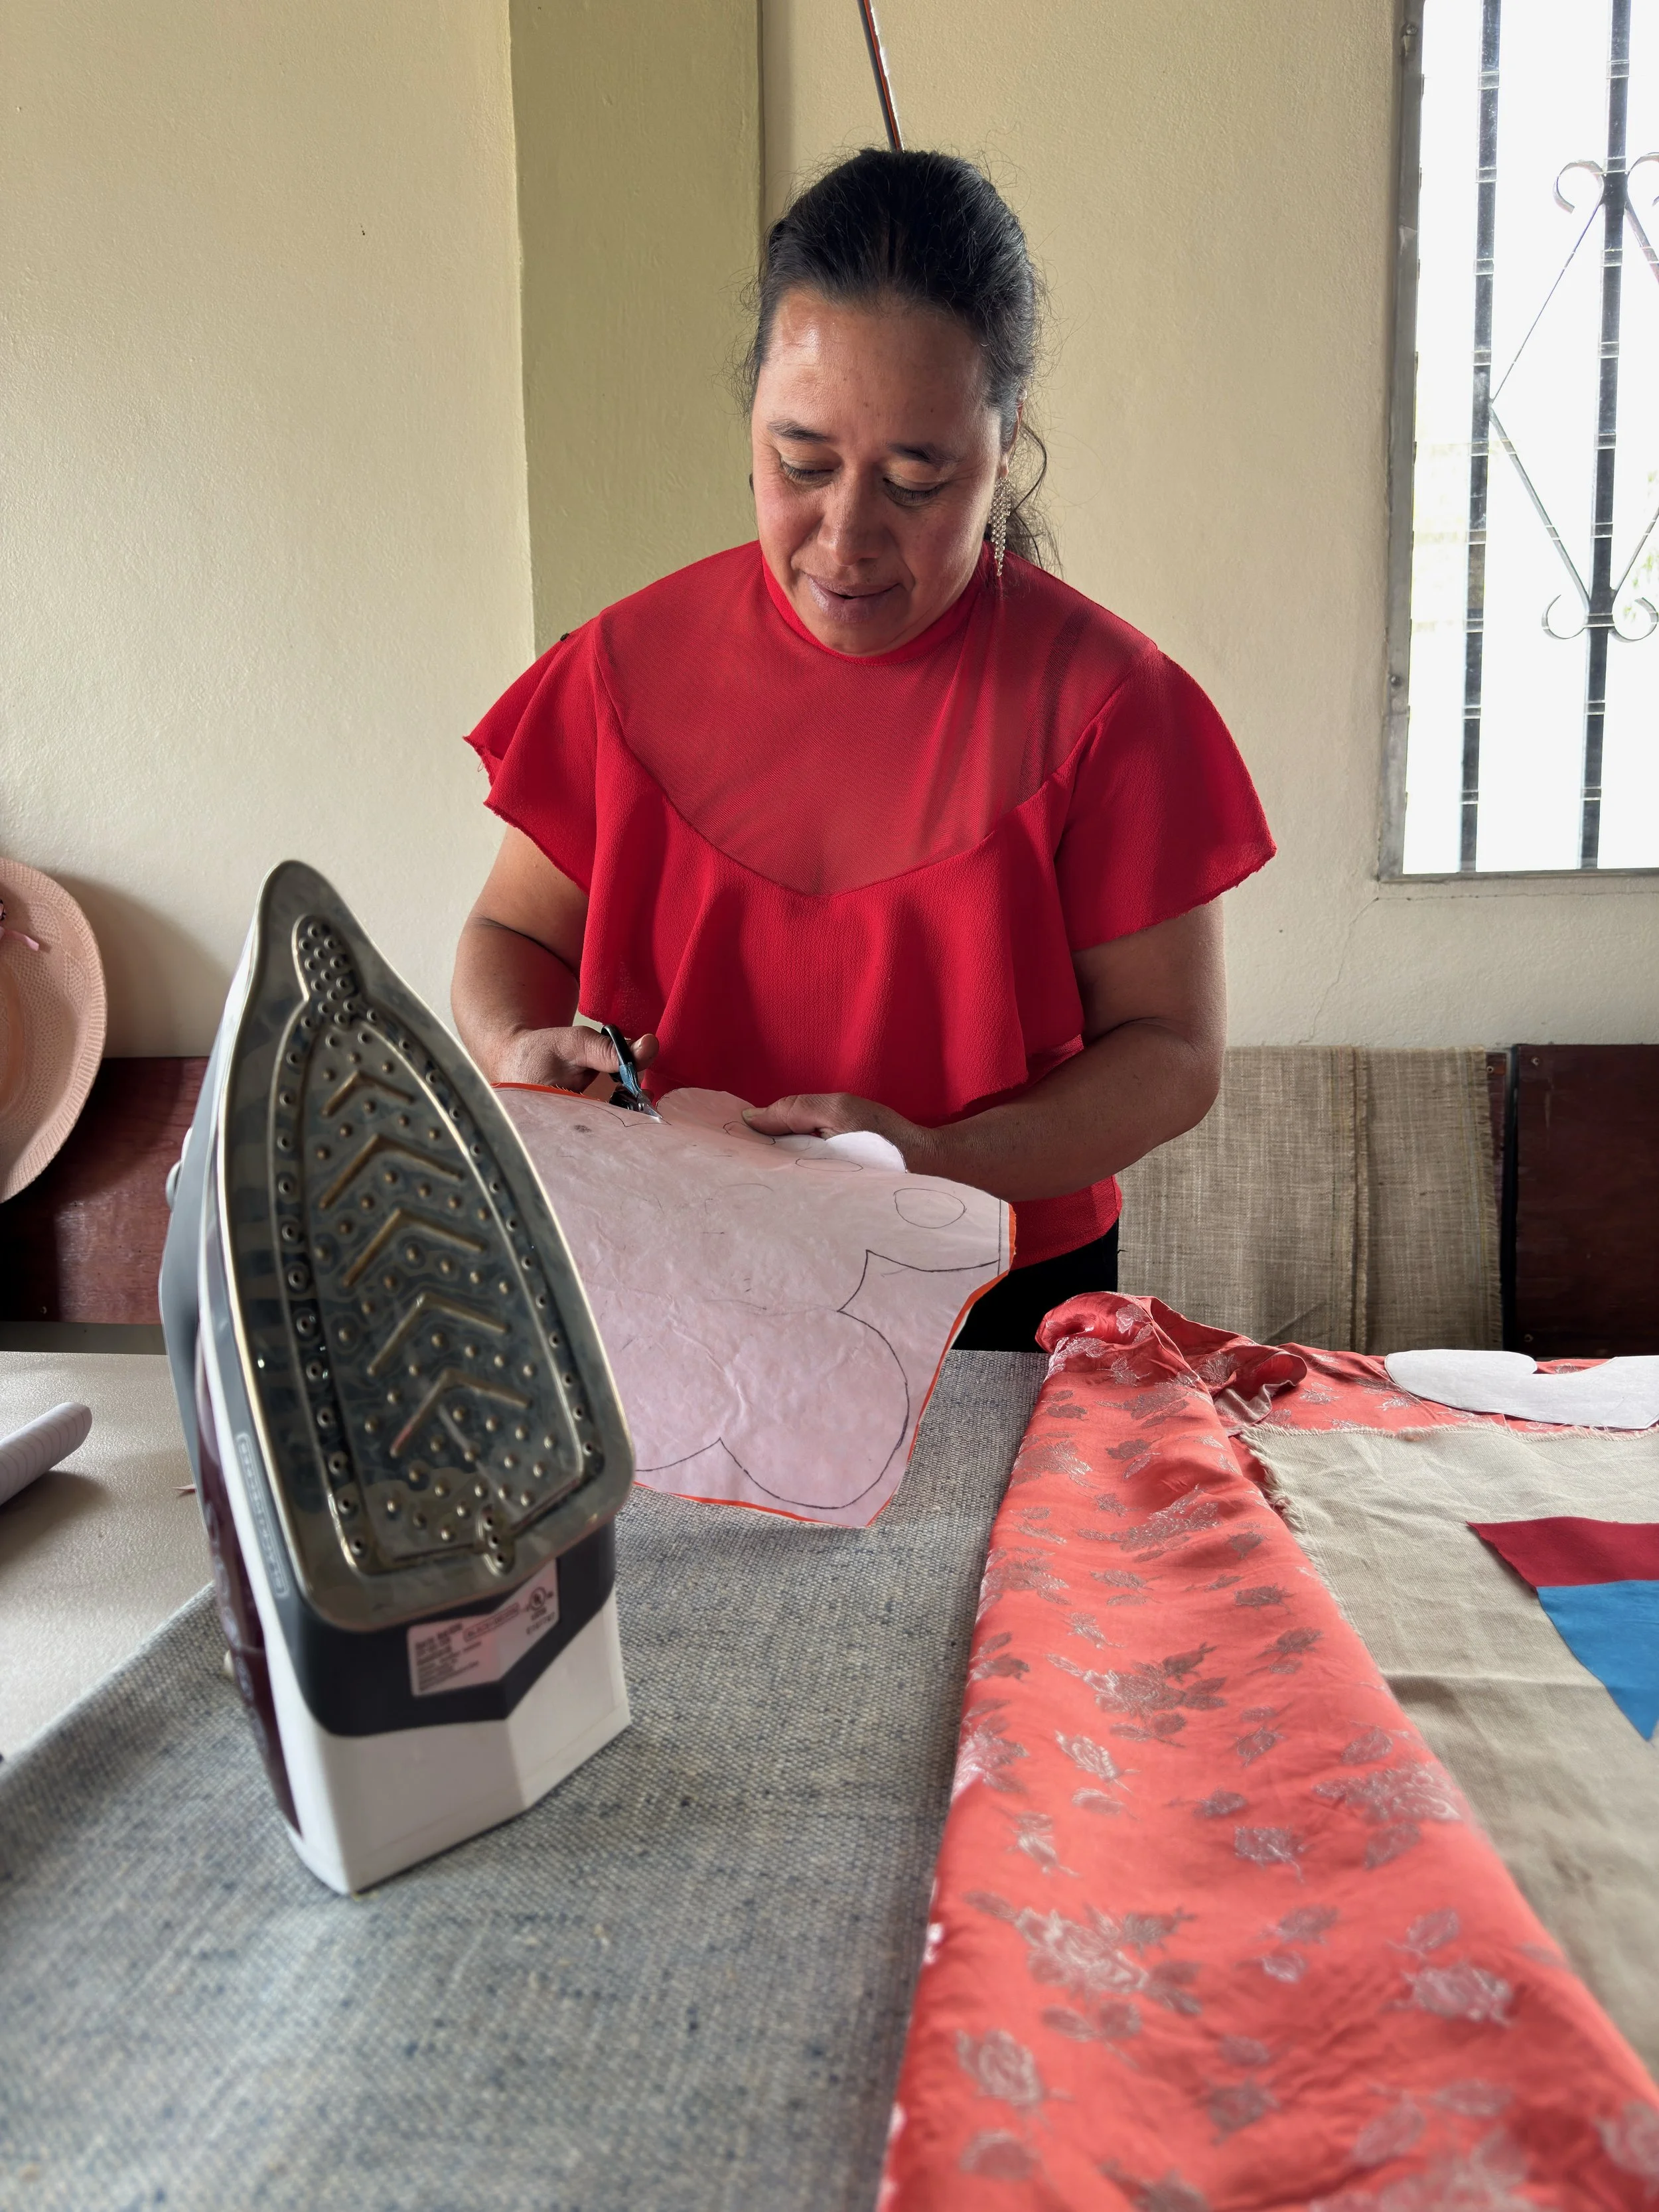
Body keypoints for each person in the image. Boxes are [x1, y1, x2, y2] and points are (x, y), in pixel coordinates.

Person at [452, 149, 1273, 1351]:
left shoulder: (1107, 707)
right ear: (750, 419)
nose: (846, 538)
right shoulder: (625, 672)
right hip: (673, 1260)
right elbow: (509, 939)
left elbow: (1171, 1054)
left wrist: (933, 1160)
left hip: (994, 1288)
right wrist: (517, 1047)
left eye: (917, 479)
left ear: (1008, 443)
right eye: (802, 464)